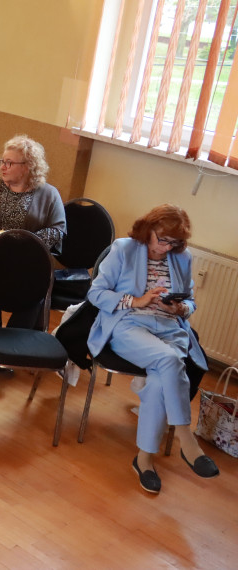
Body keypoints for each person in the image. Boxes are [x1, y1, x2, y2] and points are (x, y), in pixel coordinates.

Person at [87, 205, 218, 493]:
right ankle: (187, 439)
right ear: (148, 230)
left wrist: (180, 306)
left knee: (161, 377)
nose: (166, 248)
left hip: (170, 327)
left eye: (174, 243)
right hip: (129, 323)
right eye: (162, 239)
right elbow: (95, 293)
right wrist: (138, 300)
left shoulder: (182, 257)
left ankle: (144, 460)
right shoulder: (123, 249)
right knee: (170, 361)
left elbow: (191, 301)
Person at [0, 134, 66, 328]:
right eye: (2, 161)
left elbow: (58, 230)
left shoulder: (50, 194)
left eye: (9, 163)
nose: (2, 167)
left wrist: (26, 244)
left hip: (30, 261)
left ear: (27, 167)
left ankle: (16, 336)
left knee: (38, 282)